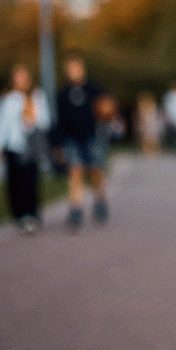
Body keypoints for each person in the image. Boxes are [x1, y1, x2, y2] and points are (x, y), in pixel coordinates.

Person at [0, 64, 50, 234]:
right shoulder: (7, 97)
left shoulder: (37, 95)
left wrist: (31, 119)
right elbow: (0, 122)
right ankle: (19, 215)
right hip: (13, 146)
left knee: (30, 182)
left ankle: (32, 214)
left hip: (31, 146)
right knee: (15, 183)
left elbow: (45, 121)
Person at [55, 53, 109, 231]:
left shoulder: (94, 89)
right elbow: (59, 121)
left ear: (82, 67)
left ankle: (100, 201)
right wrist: (58, 145)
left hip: (92, 136)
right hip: (71, 139)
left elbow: (105, 110)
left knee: (95, 170)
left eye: (76, 67)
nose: (73, 71)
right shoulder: (63, 94)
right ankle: (75, 209)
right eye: (70, 68)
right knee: (75, 170)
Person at [134, 91, 165, 157]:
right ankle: (146, 152)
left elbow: (156, 117)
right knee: (146, 138)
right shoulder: (142, 107)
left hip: (152, 125)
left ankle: (154, 152)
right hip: (146, 125)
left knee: (153, 138)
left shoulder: (153, 107)